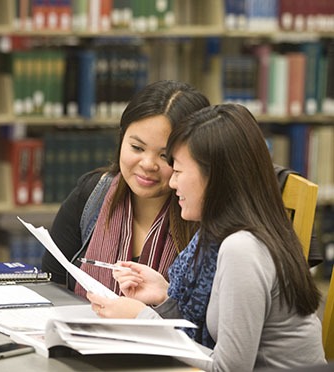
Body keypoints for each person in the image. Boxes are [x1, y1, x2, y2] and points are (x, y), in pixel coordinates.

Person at [87, 103, 326, 371]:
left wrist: (142, 319)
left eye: (178, 171)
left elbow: (227, 369)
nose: (173, 183)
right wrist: (165, 295)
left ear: (215, 178)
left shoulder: (242, 248)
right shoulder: (223, 234)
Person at [41, 80, 210, 294]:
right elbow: (51, 284)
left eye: (165, 155)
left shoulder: (207, 221)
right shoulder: (92, 194)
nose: (148, 164)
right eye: (137, 147)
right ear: (121, 140)